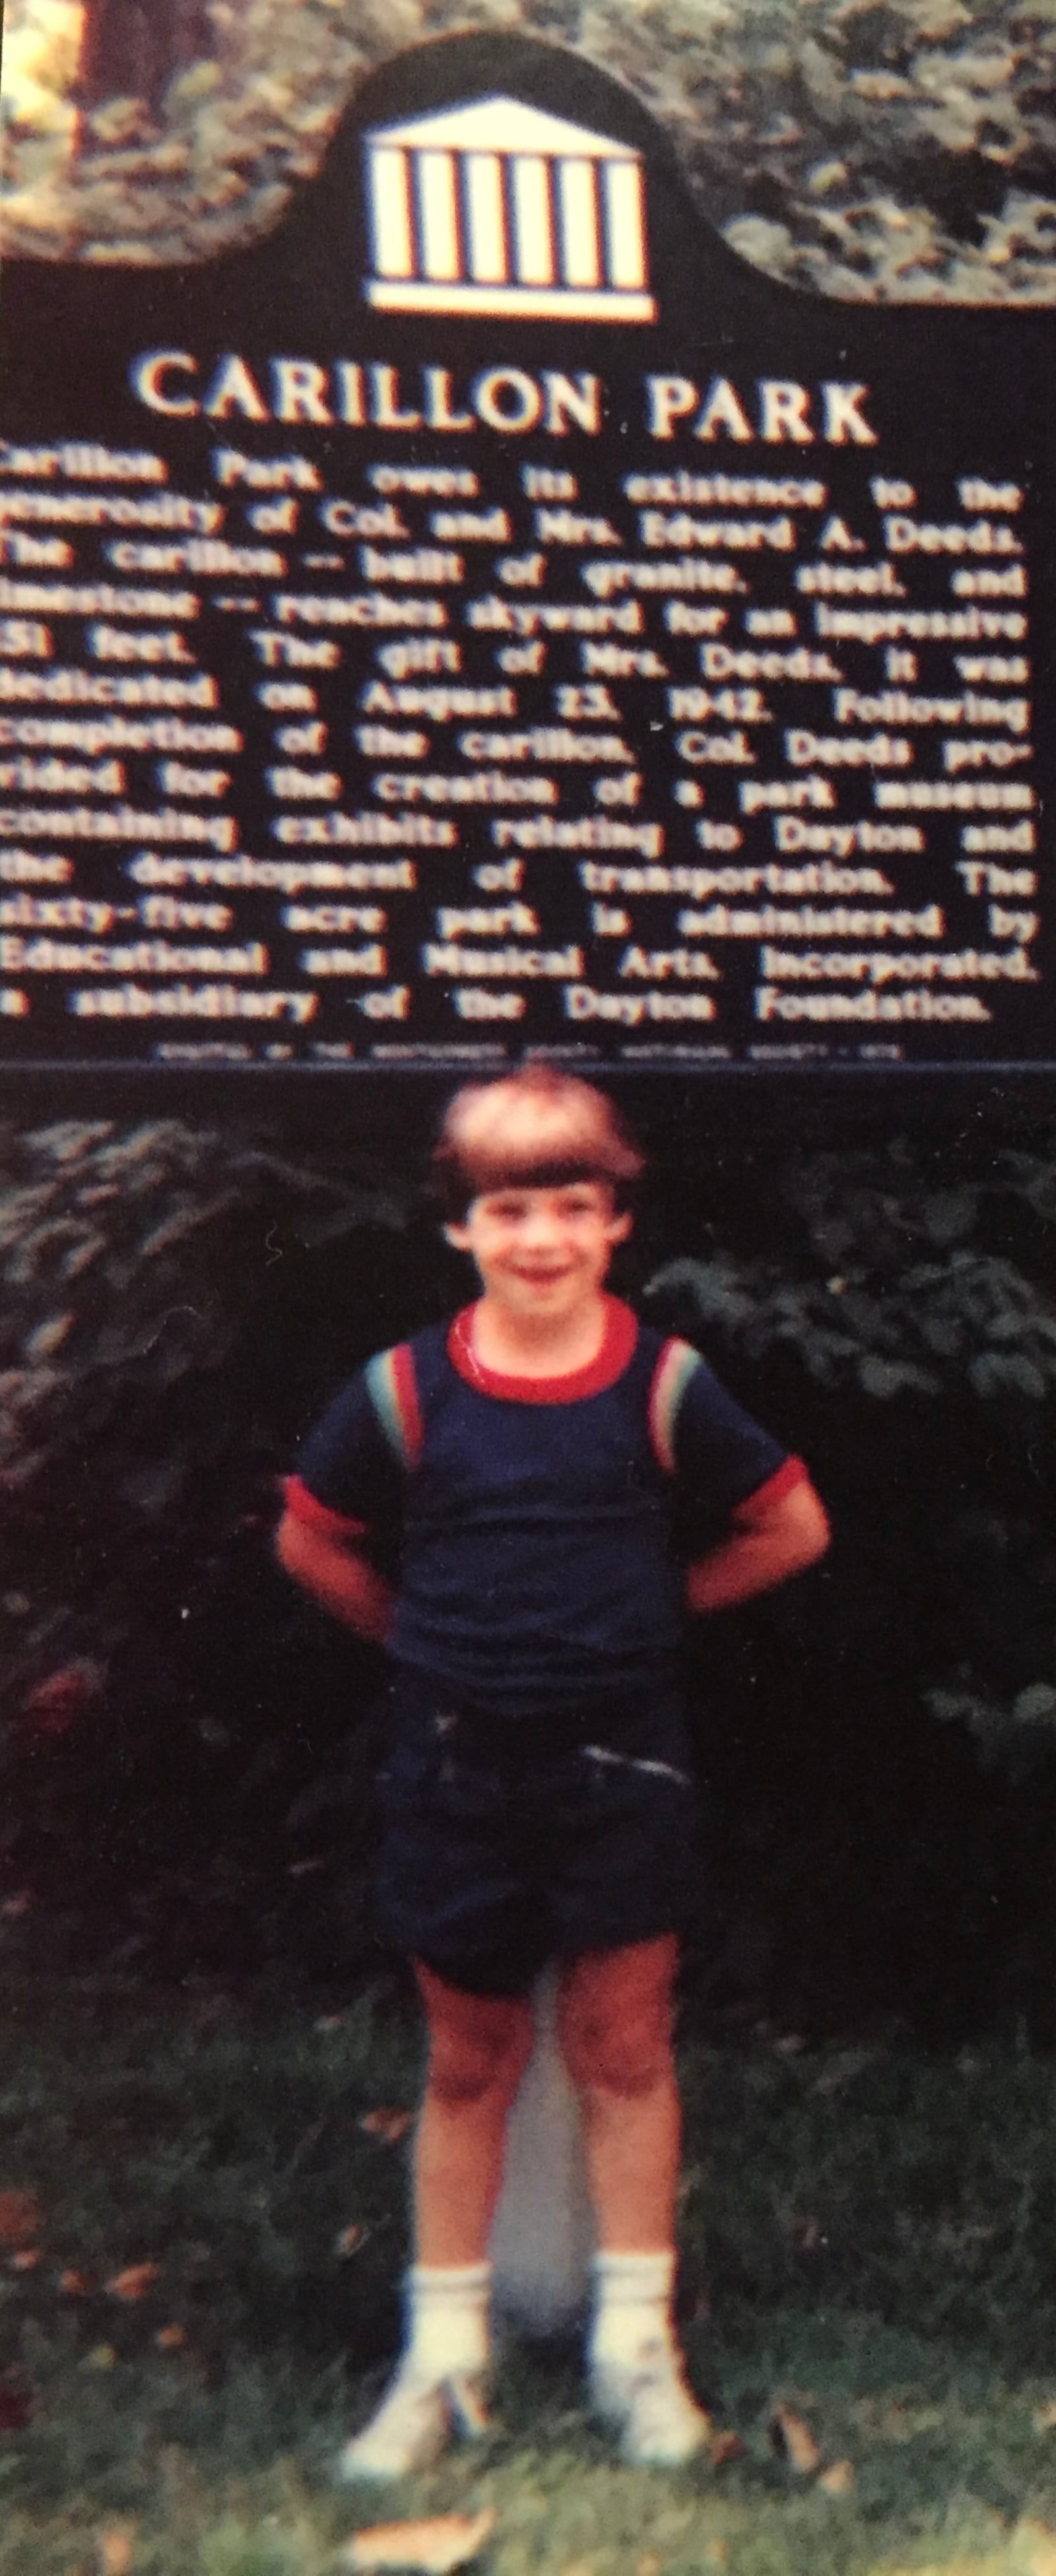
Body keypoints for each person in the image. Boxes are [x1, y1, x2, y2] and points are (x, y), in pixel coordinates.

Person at [275, 1065, 829, 2479]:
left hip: (618, 1761)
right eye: (507, 1207)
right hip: (455, 1762)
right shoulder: (404, 1387)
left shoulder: (662, 1382)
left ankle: (635, 2352)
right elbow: (313, 1540)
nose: (539, 1238)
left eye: (570, 1207)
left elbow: (789, 1525)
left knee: (624, 2053)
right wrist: (424, 1640)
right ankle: (442, 2359)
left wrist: (651, 1614)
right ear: (458, 1225)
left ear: (613, 1222)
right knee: (467, 2062)